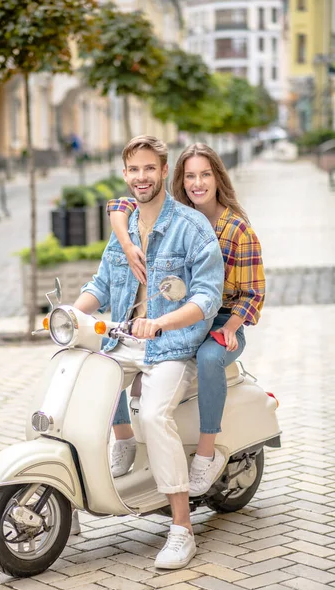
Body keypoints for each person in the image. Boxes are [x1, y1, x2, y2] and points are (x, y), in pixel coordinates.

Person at [74, 135, 224, 569]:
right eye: (133, 170)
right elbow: (100, 285)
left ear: (163, 172)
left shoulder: (191, 227)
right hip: (122, 339)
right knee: (82, 381)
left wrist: (160, 321)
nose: (141, 177)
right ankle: (98, 465)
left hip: (172, 345)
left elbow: (207, 297)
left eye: (149, 169)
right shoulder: (123, 228)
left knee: (155, 413)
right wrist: (65, 314)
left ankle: (182, 528)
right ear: (125, 174)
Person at [107, 142, 265, 497]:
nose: (197, 183)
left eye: (205, 175)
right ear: (178, 178)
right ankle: (124, 438)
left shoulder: (236, 229)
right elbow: (119, 205)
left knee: (209, 357)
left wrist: (229, 327)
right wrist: (126, 242)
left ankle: (206, 453)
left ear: (217, 178)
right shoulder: (173, 217)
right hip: (180, 318)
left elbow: (253, 292)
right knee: (108, 351)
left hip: (223, 319)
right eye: (190, 175)